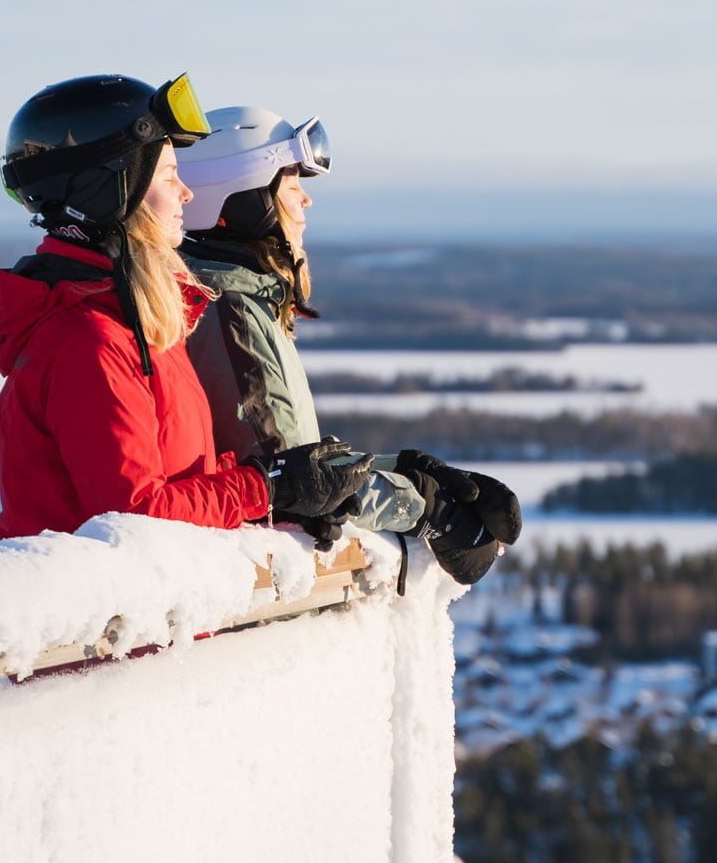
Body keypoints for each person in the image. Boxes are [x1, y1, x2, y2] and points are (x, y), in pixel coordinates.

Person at [0, 75, 372, 541]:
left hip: (137, 604)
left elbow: (184, 473)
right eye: (170, 176)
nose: (186, 194)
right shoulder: (89, 342)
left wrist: (290, 481)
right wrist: (266, 488)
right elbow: (134, 514)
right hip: (99, 610)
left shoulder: (135, 320)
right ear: (111, 190)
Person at [178, 106, 522, 584]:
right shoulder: (230, 315)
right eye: (293, 185)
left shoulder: (231, 301)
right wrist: (427, 509)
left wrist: (407, 471)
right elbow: (297, 485)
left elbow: (293, 466)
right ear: (243, 201)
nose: (306, 202)